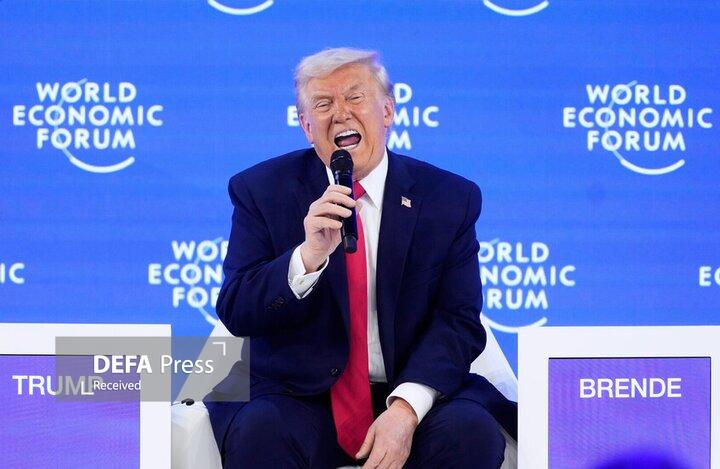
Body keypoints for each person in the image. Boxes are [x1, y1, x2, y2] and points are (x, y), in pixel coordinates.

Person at [205, 47, 517, 468]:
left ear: (387, 111)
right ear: (306, 126)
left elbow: (457, 320)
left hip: (413, 392)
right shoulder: (261, 190)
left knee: (469, 433)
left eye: (355, 97)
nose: (341, 114)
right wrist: (308, 256)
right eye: (323, 104)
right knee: (261, 429)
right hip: (300, 395)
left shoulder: (449, 199)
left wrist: (406, 408)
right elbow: (237, 310)